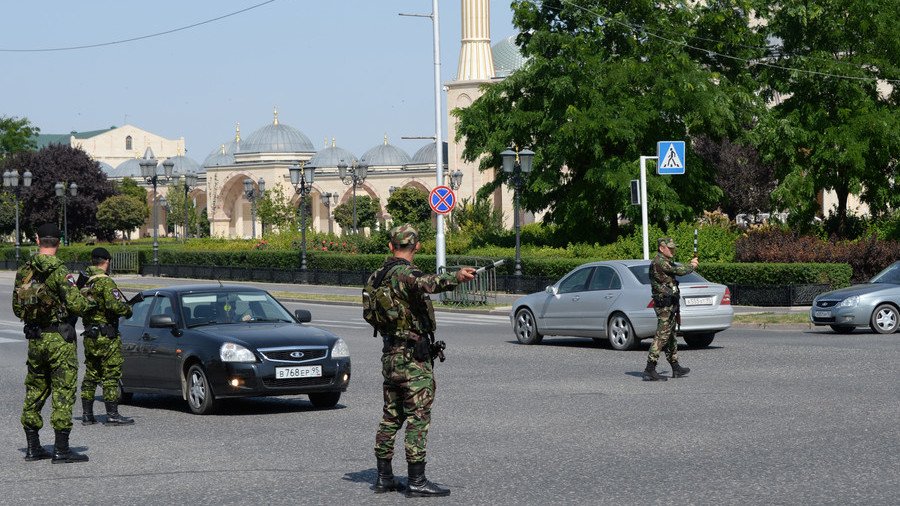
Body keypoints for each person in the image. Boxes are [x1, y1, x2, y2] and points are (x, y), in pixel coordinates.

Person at [367, 224, 475, 497]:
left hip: (390, 354)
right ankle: (416, 481)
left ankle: (383, 477)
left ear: (391, 246)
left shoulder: (375, 277)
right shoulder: (407, 274)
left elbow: (369, 315)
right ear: (417, 247)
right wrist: (457, 277)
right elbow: (428, 282)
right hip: (413, 357)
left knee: (390, 416)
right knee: (418, 416)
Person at [13, 223, 93, 463]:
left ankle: (32, 446)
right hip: (59, 339)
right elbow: (78, 306)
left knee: (35, 390)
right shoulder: (61, 272)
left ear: (37, 240)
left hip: (36, 340)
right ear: (59, 242)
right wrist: (86, 297)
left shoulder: (24, 271)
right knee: (63, 392)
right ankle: (61, 449)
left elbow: (17, 309)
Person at [80, 247, 135, 426]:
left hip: (90, 334)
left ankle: (87, 415)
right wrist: (128, 309)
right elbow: (115, 306)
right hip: (106, 336)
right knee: (111, 374)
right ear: (107, 261)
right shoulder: (105, 282)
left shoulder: (85, 281)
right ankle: (112, 415)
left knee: (91, 373)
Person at [642, 237, 699, 381]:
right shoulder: (659, 262)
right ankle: (650, 368)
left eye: (673, 247)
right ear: (662, 248)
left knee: (671, 336)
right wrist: (692, 266)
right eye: (670, 247)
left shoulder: (666, 261)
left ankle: (675, 367)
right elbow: (678, 270)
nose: (673, 250)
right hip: (664, 306)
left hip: (671, 304)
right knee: (662, 335)